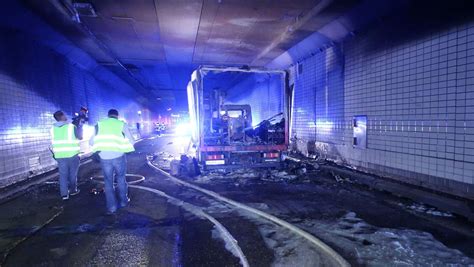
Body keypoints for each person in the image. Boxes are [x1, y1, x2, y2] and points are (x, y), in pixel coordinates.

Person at [91, 109, 135, 215]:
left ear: (108, 115)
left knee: (108, 181)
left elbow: (91, 142)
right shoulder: (122, 124)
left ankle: (112, 207)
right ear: (117, 116)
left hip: (104, 157)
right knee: (121, 179)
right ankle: (124, 202)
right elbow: (131, 140)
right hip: (118, 156)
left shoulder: (99, 125)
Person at [50, 110, 83, 200]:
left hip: (60, 156)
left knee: (63, 175)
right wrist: (80, 126)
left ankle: (64, 195)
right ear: (62, 117)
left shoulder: (52, 129)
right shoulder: (71, 127)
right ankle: (73, 190)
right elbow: (80, 137)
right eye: (64, 115)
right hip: (72, 155)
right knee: (73, 174)